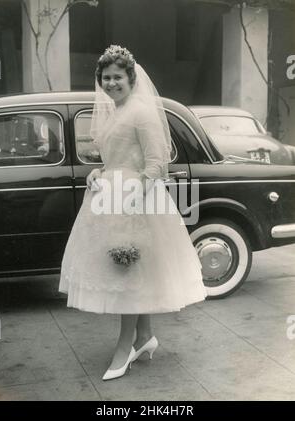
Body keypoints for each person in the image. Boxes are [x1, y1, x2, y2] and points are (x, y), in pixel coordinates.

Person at [59, 45, 207, 381]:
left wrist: (134, 197)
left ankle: (125, 347)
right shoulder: (114, 112)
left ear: (131, 78)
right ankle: (144, 337)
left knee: (128, 271)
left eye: (117, 77)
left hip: (138, 199)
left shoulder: (141, 113)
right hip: (109, 196)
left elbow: (157, 163)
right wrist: (98, 173)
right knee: (124, 268)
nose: (111, 83)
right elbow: (115, 159)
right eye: (106, 77)